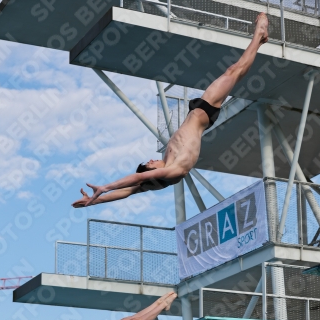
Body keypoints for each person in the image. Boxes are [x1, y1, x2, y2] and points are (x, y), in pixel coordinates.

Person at [72, 14, 268, 209]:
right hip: (204, 112)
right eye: (150, 164)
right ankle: (259, 35)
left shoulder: (167, 162)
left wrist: (93, 201)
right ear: (153, 172)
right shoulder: (173, 171)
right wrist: (105, 187)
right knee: (234, 71)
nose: (151, 160)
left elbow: (129, 190)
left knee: (234, 72)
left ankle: (259, 40)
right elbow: (139, 178)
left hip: (197, 112)